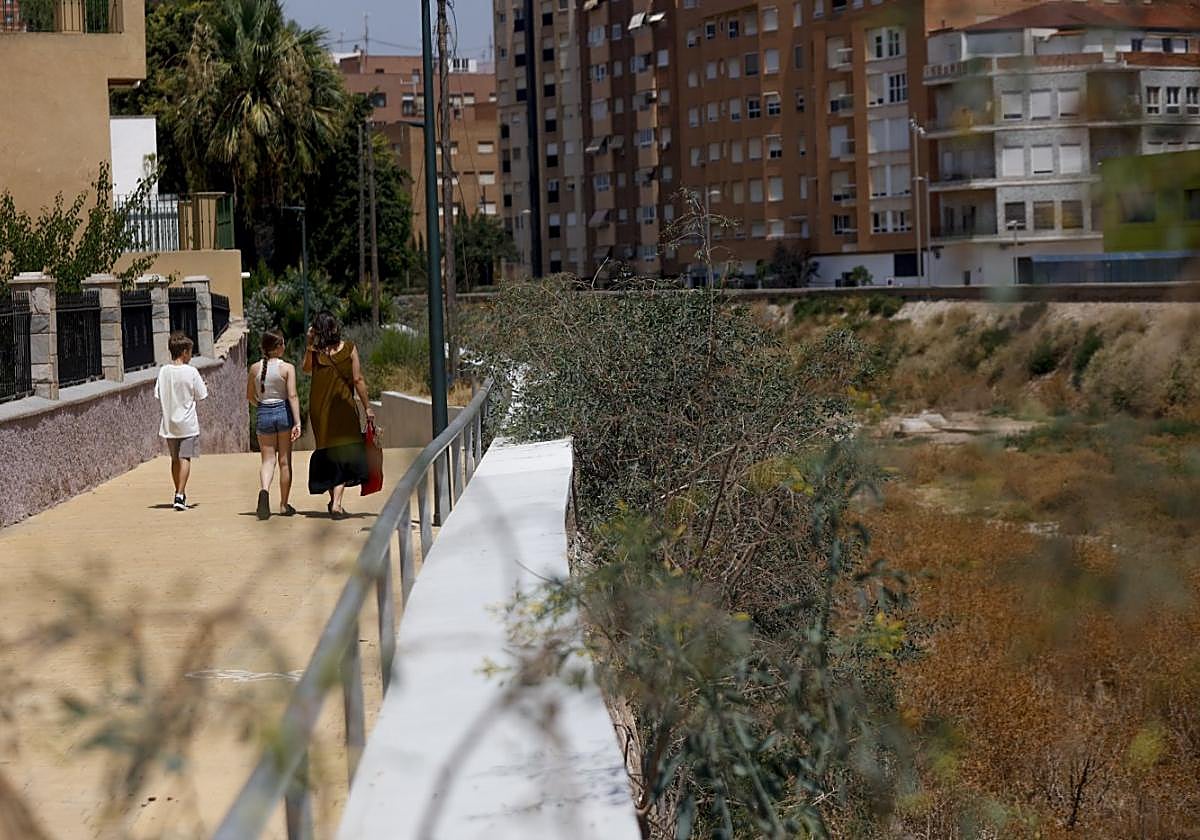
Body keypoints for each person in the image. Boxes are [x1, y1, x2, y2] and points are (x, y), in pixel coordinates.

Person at [303, 311, 374, 519]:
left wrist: (309, 343)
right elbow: (358, 379)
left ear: (317, 330)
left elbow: (306, 369)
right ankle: (337, 503)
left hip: (320, 410)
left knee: (328, 454)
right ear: (335, 327)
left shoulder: (315, 353)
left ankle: (335, 501)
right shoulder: (350, 348)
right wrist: (367, 407)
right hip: (344, 408)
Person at [247, 329, 302, 520]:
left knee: (267, 460)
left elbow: (249, 396)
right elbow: (292, 395)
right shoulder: (287, 368)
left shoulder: (254, 368)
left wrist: (263, 407)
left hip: (264, 412)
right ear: (278, 347)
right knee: (284, 461)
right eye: (283, 343)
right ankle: (284, 505)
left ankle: (264, 491)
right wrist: (297, 422)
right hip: (283, 412)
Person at [155, 331, 209, 511]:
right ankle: (180, 493)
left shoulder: (163, 371)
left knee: (174, 459)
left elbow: (158, 394)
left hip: (169, 423)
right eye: (190, 352)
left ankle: (178, 492)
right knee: (185, 457)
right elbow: (201, 395)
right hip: (187, 423)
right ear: (185, 352)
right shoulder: (191, 371)